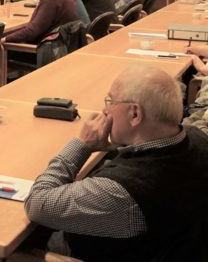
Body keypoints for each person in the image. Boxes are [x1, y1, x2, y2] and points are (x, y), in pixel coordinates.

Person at [24, 65, 208, 261]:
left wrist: (82, 145)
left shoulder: (121, 191)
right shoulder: (198, 139)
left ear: (135, 114)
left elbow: (36, 203)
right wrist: (117, 148)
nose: (105, 110)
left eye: (111, 101)